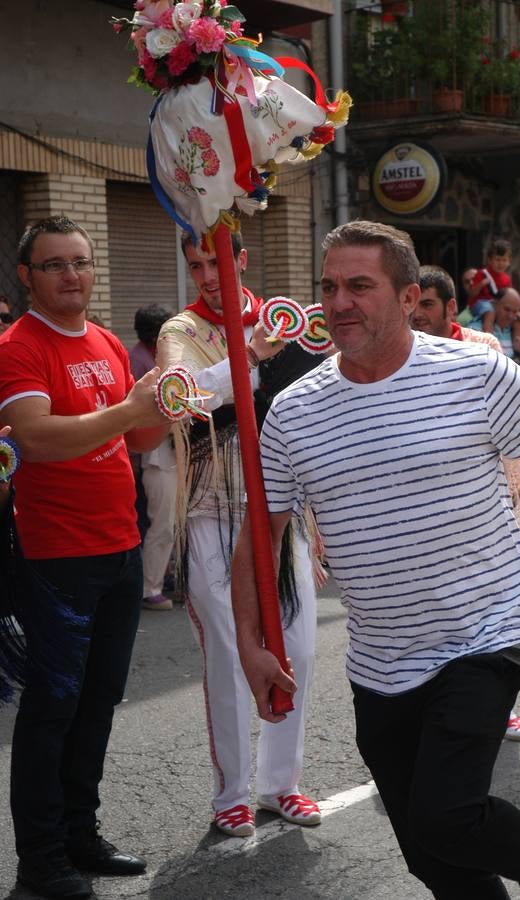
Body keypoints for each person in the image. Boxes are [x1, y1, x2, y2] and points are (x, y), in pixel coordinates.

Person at [232, 220, 520, 899]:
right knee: (433, 857)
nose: (340, 302)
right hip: (381, 660)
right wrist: (251, 643)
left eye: (360, 286)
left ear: (408, 297)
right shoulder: (292, 413)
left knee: (447, 814)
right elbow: (262, 531)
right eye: (330, 287)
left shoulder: (477, 373)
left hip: (486, 632)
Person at [0, 216, 167, 900]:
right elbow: (34, 438)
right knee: (53, 708)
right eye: (55, 265)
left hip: (121, 545)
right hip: (56, 555)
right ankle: (40, 860)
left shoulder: (102, 340)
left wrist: (167, 403)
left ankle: (80, 836)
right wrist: (129, 412)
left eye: (80, 262)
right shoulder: (17, 345)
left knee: (97, 702)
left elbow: (138, 437)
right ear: (26, 276)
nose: (72, 275)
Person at [154, 231, 321, 838]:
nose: (204, 274)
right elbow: (184, 399)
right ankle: (232, 792)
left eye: (214, 261)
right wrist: (249, 356)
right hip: (210, 509)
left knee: (297, 647)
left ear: (241, 260)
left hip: (280, 512)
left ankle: (281, 785)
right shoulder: (180, 330)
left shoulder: (284, 319)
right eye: (194, 263)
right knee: (228, 651)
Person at [412, 265, 520, 743]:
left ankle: (499, 710)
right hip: (426, 507)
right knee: (435, 611)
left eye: (428, 305)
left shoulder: (482, 347)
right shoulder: (397, 352)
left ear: (449, 307)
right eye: (413, 304)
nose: (418, 314)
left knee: (496, 608)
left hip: (490, 498)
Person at [129, 304, 176, 611]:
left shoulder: (154, 356)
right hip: (155, 455)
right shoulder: (138, 361)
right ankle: (150, 587)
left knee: (168, 522)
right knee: (162, 524)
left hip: (168, 453)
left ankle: (162, 576)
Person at [467, 238, 512, 333]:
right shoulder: (482, 274)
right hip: (480, 303)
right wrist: (481, 284)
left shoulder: (506, 279)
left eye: (504, 260)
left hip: (496, 304)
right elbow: (472, 294)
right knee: (490, 311)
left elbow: (508, 298)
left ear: (509, 261)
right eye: (497, 259)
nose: (501, 263)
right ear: (489, 260)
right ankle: (489, 337)